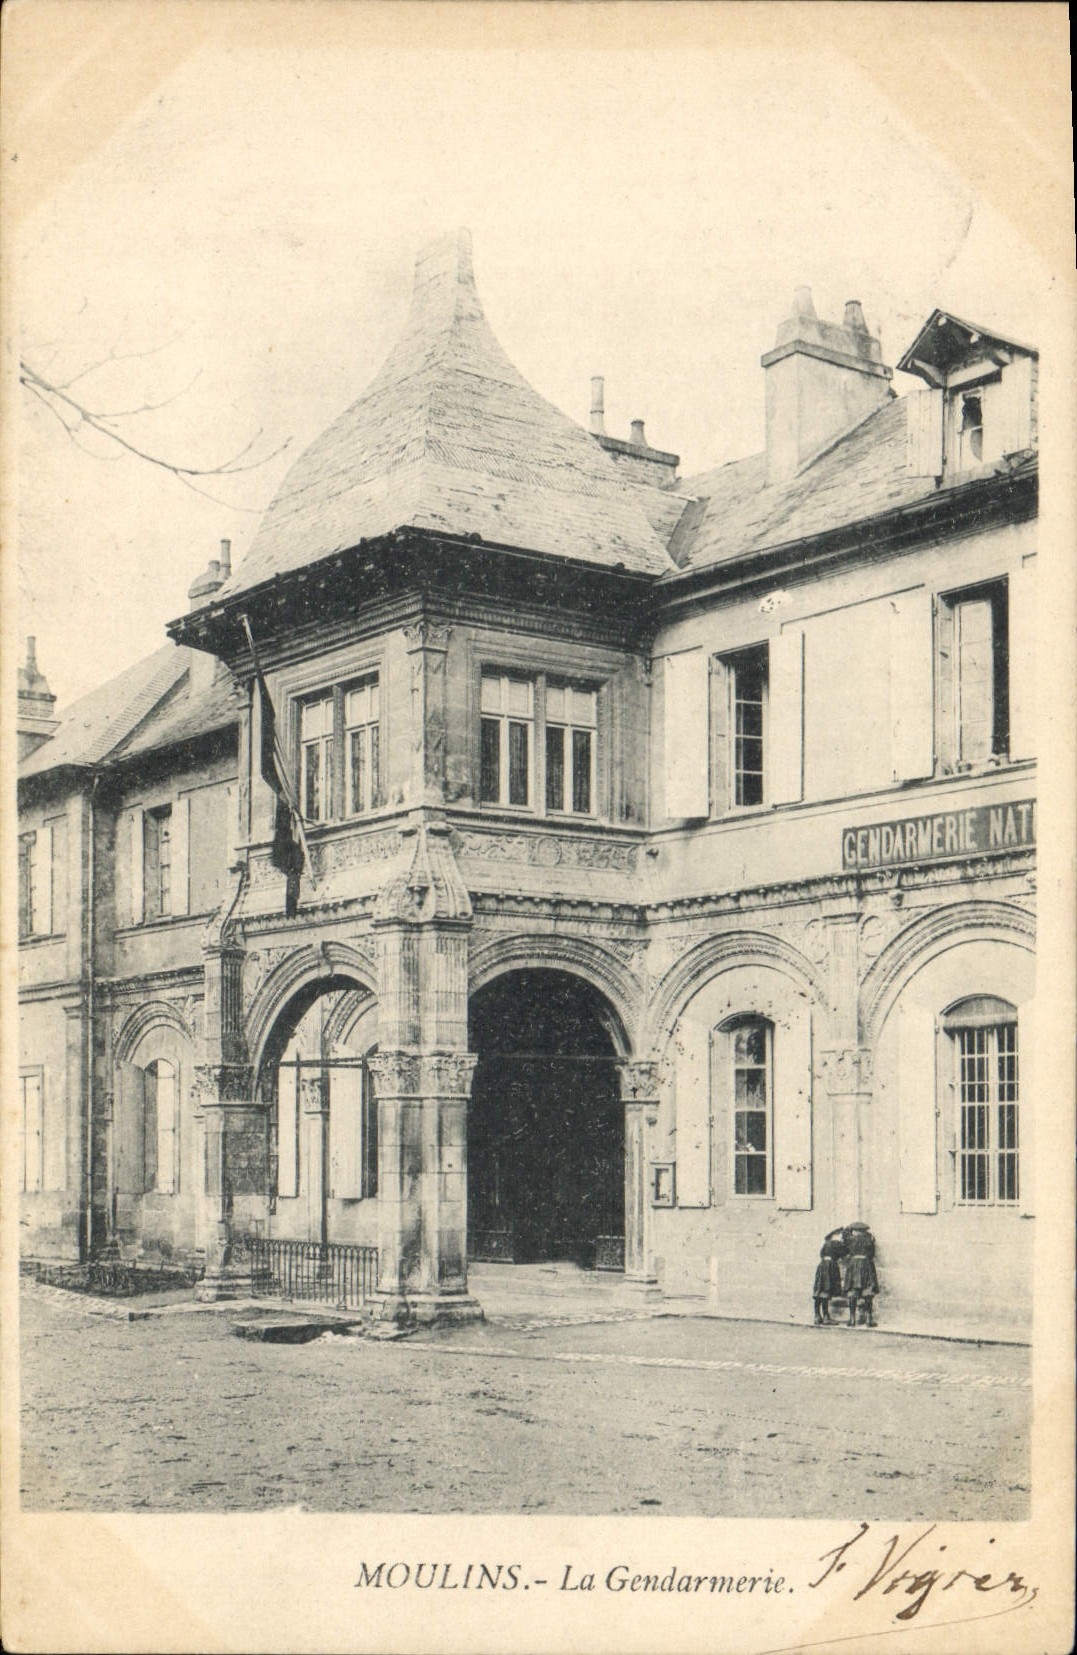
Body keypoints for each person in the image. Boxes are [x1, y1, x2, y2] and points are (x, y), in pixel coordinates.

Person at [842, 1222, 879, 1327]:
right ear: (865, 1230)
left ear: (854, 1230)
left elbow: (844, 1243)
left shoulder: (850, 1239)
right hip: (866, 1264)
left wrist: (848, 1229)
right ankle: (869, 1320)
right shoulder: (869, 1240)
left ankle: (852, 1319)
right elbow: (872, 1254)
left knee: (852, 1292)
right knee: (868, 1292)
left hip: (853, 1265)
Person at [812, 1227, 846, 1325]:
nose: (840, 1237)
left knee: (819, 1290)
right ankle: (826, 1317)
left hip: (822, 1266)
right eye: (839, 1235)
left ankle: (817, 1316)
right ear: (834, 1235)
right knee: (826, 1290)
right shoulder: (835, 1244)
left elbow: (821, 1255)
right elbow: (844, 1252)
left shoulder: (825, 1244)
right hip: (830, 1267)